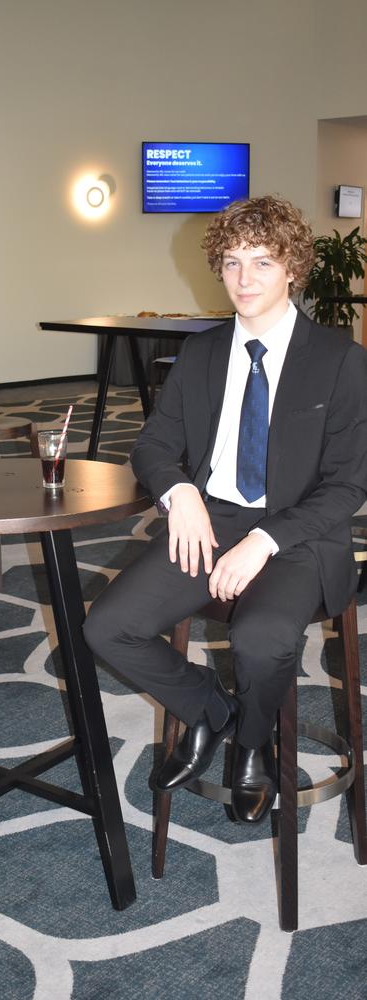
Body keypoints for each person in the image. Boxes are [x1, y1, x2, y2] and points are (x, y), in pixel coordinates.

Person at [84, 195, 367, 824]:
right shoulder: (204, 353)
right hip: (212, 518)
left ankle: (252, 743)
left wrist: (265, 541)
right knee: (107, 627)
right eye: (233, 263)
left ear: (293, 267)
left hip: (300, 533)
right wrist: (180, 492)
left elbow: (349, 486)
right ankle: (213, 710)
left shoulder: (341, 361)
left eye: (261, 263)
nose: (243, 280)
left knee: (260, 636)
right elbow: (156, 443)